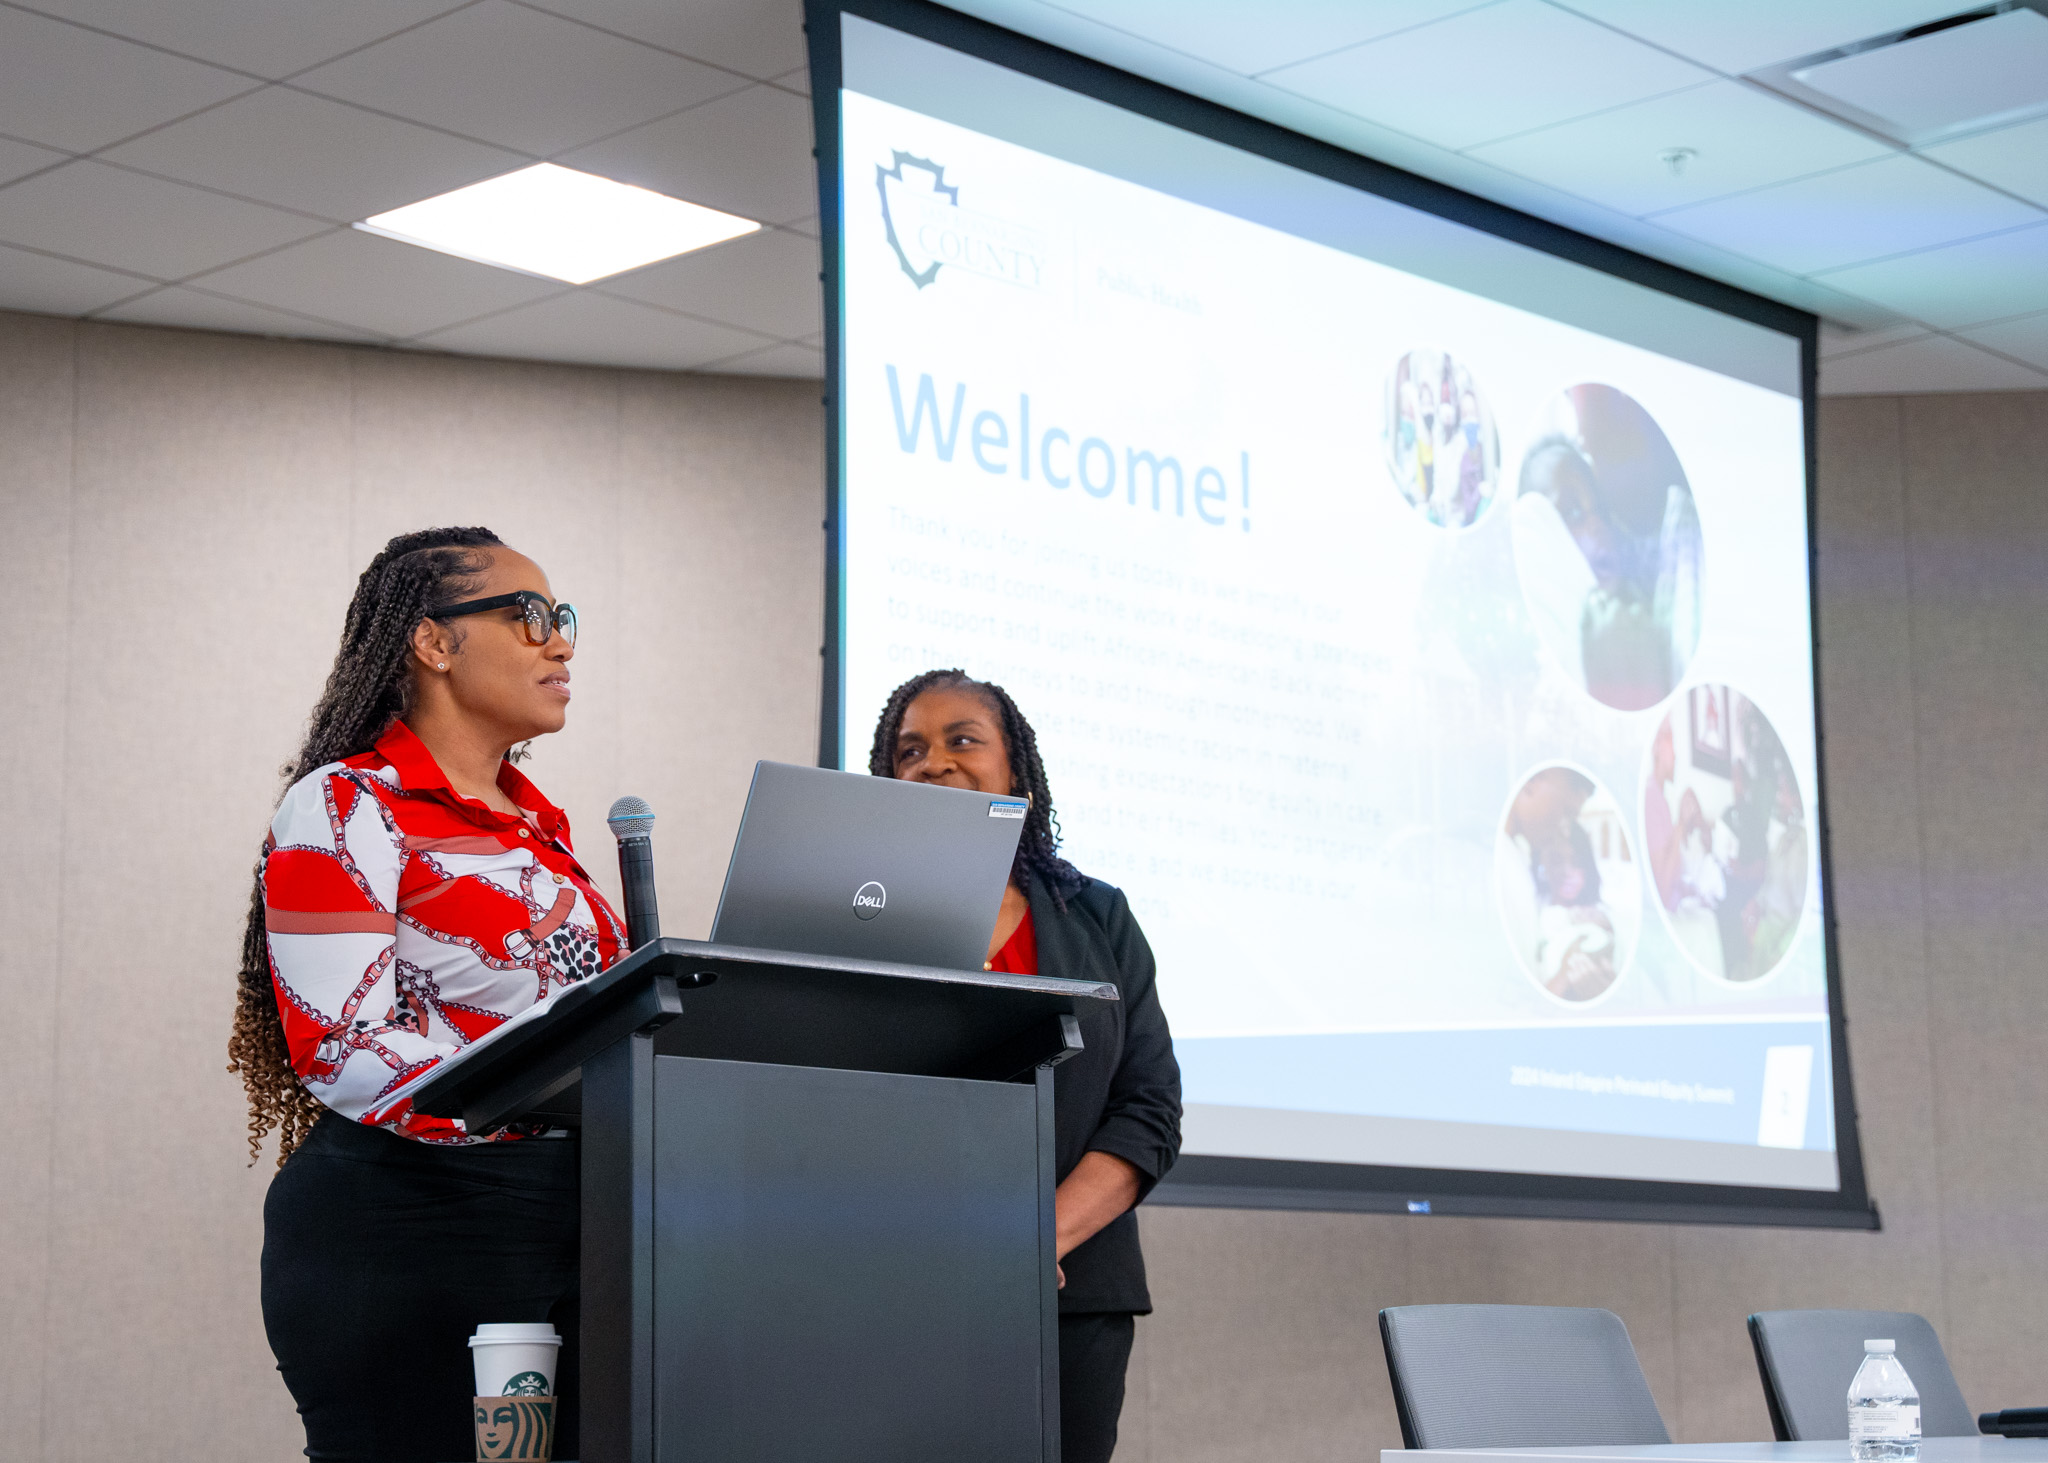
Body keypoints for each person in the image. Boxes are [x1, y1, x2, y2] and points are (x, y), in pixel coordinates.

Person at [228, 526, 622, 1462]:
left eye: (562, 619)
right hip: (411, 1231)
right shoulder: (347, 804)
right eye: (529, 618)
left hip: (570, 1219)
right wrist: (537, 1086)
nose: (559, 641)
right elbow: (342, 1042)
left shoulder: (538, 826)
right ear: (434, 642)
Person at [869, 669, 1181, 1463]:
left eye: (962, 740)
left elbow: (1148, 1108)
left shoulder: (1099, 916)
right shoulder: (861, 919)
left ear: (1019, 776)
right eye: (909, 750)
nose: (933, 762)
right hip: (905, 1288)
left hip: (1073, 1293)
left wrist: (1038, 1238)